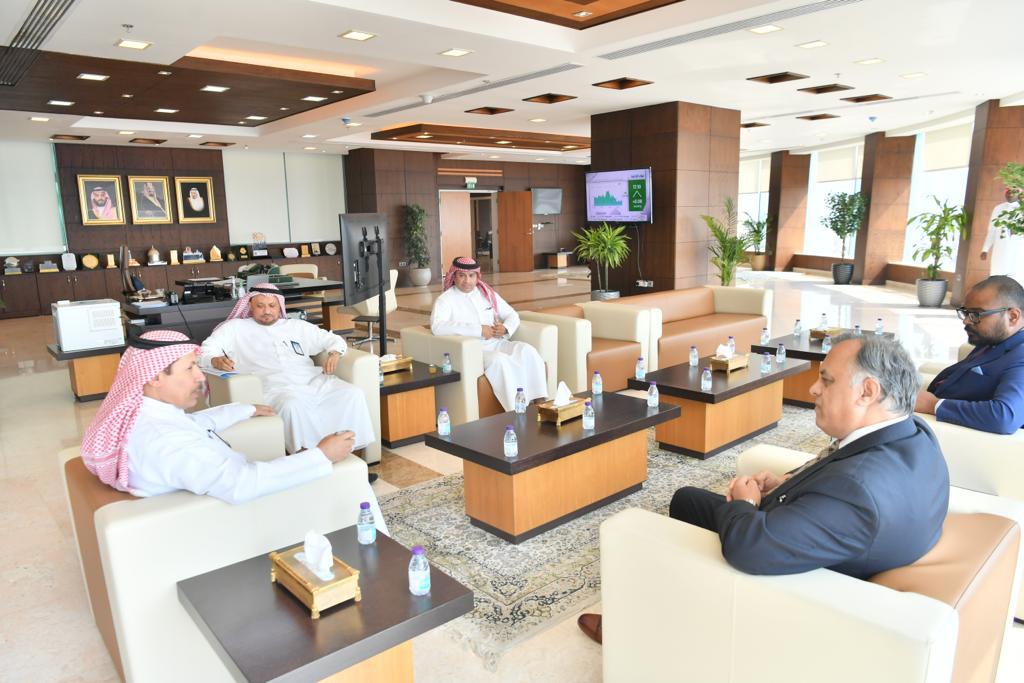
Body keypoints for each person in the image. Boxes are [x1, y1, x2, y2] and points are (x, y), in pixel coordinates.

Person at [578, 334, 949, 644]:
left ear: (867, 391)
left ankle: (637, 628)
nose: (814, 388)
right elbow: (839, 472)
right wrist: (789, 482)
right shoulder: (912, 433)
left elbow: (749, 550)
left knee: (677, 513)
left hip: (788, 573)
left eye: (827, 380)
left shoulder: (856, 491)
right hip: (821, 531)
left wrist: (745, 503)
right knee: (686, 499)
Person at [80, 330, 387, 531]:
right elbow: (243, 484)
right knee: (351, 479)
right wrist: (321, 455)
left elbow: (194, 425)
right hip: (241, 515)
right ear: (154, 377)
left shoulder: (147, 417)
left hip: (228, 492)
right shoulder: (168, 442)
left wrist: (244, 409)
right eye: (190, 368)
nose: (201, 376)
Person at [200, 285, 376, 458]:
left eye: (272, 305)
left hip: (313, 381)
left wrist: (335, 353)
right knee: (292, 406)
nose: (267, 311)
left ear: (280, 306)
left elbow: (332, 339)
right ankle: (308, 459)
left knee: (352, 393)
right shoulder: (234, 328)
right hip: (273, 387)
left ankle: (353, 454)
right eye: (260, 306)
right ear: (250, 306)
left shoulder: (297, 326)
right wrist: (215, 360)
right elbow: (205, 350)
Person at [430, 256, 548, 411]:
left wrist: (505, 328)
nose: (467, 281)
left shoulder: (486, 293)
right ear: (454, 276)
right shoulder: (445, 300)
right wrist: (479, 330)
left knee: (527, 350)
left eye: (471, 276)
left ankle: (540, 402)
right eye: (462, 275)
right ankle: (516, 410)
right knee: (499, 360)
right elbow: (437, 327)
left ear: (477, 276)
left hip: (497, 342)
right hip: (474, 350)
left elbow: (512, 314)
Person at [916, 275, 1024, 434]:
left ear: (1013, 316)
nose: (966, 321)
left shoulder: (1020, 355)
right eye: (965, 312)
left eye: (976, 314)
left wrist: (932, 405)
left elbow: (1005, 417)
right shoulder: (992, 341)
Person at [980, 188, 1024, 282]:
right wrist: (985, 249)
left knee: (1015, 279)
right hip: (999, 250)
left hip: (1017, 250)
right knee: (996, 276)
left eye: (1013, 192)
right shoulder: (998, 208)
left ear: (1019, 194)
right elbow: (992, 230)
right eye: (1008, 192)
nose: (1010, 194)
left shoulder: (1022, 209)